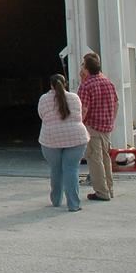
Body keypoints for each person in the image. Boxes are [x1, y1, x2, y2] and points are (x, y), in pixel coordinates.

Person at [37, 73, 90, 211]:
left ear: (50, 85)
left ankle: (56, 200)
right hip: (76, 138)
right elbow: (79, 114)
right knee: (71, 170)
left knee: (56, 169)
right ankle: (73, 204)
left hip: (51, 139)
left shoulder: (44, 99)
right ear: (65, 84)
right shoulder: (74, 98)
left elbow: (41, 115)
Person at [78, 51, 118, 201]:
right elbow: (116, 104)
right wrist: (111, 121)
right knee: (106, 158)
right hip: (107, 127)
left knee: (95, 159)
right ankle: (109, 188)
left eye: (83, 65)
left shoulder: (86, 86)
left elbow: (83, 109)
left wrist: (79, 126)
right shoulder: (108, 82)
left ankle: (102, 192)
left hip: (92, 127)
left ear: (86, 68)